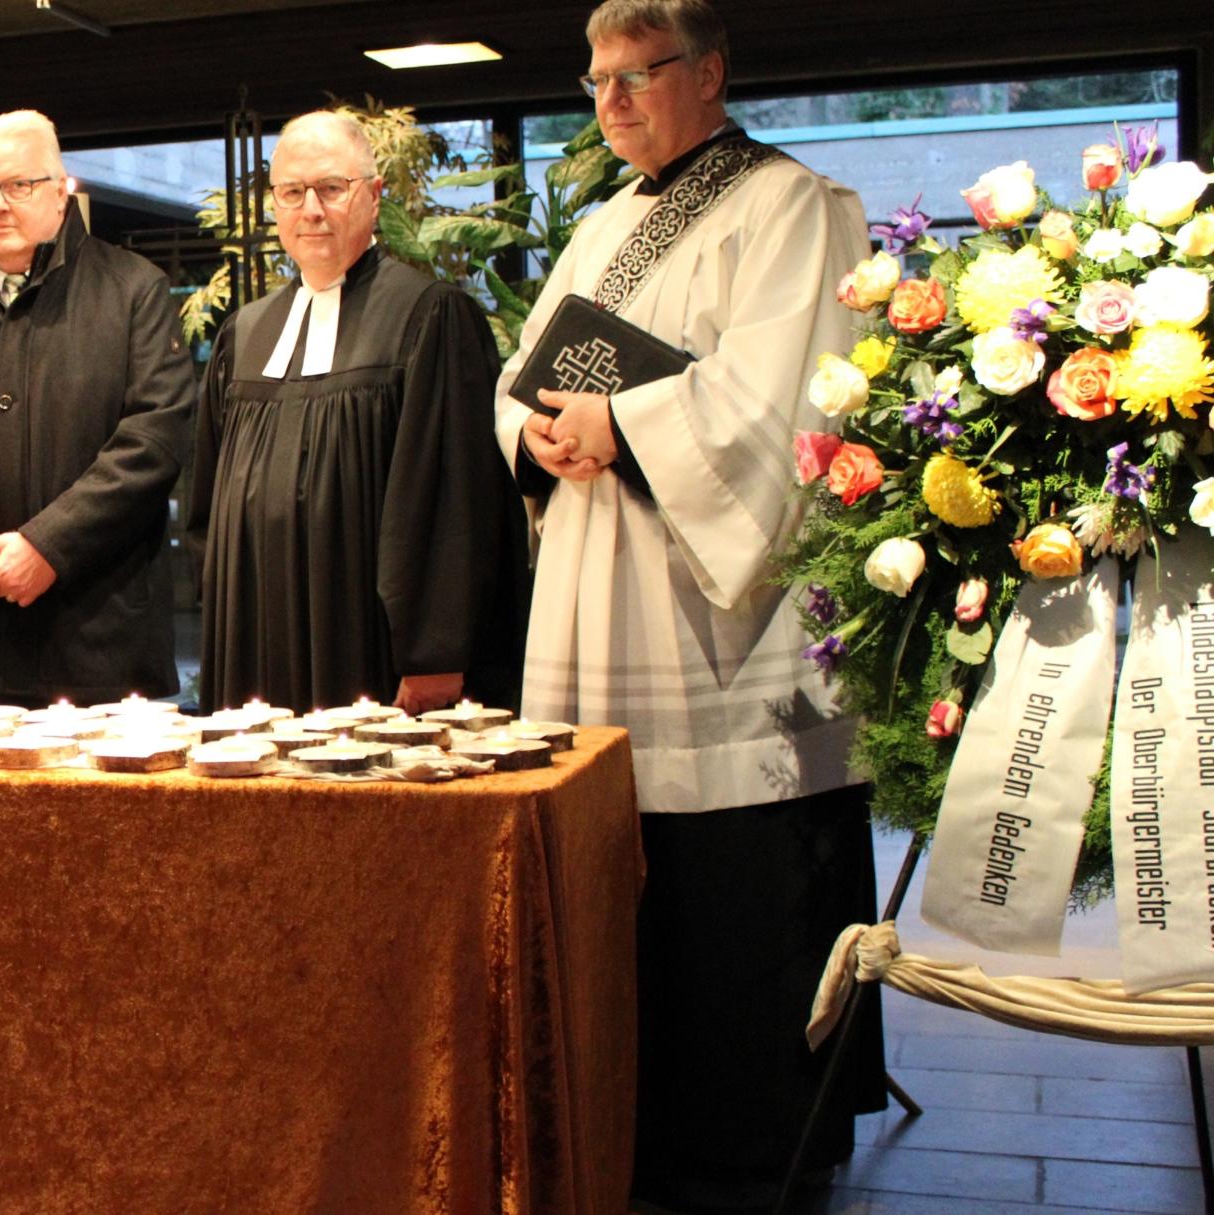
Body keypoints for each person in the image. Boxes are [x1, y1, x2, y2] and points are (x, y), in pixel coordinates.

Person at [493, 1, 882, 1206]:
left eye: (637, 75)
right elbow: (523, 376)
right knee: (626, 882)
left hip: (724, 614)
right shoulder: (604, 223)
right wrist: (539, 433)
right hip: (597, 582)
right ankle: (633, 1118)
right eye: (595, 79)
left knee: (736, 890)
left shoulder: (796, 208)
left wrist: (629, 424)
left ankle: (766, 1138)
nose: (609, 100)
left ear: (710, 73)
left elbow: (786, 402)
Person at [190, 109, 529, 715]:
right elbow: (208, 504)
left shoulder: (430, 317)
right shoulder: (244, 333)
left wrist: (434, 654)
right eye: (292, 193)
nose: (311, 210)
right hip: (252, 644)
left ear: (374, 195)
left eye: (331, 188)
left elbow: (454, 503)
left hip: (369, 647)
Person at [0, 110, 194, 707]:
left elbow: (154, 439)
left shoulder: (133, 290)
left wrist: (48, 545)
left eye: (19, 186)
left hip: (101, 641)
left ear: (60, 190)